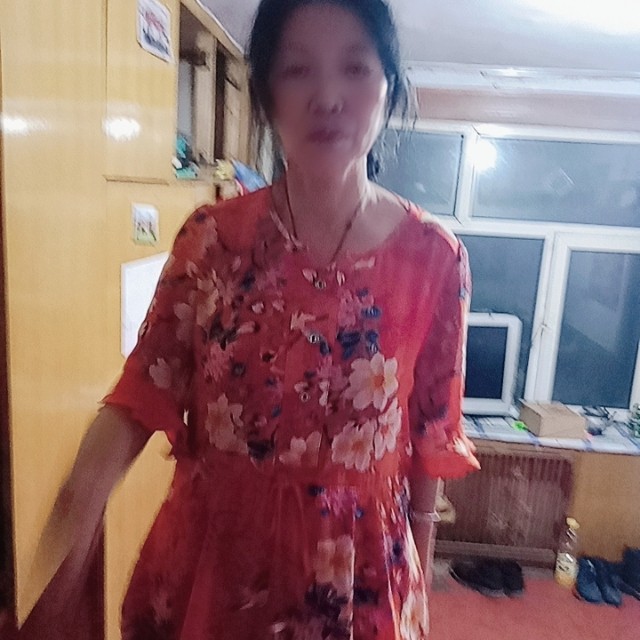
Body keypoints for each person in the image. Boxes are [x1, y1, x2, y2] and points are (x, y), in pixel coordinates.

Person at [20, 1, 479, 638]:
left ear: (389, 86)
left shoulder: (434, 259)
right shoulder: (212, 240)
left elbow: (431, 440)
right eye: (297, 70)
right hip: (215, 568)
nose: (327, 97)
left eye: (355, 68)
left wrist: (417, 586)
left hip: (357, 579)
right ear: (266, 93)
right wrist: (72, 530)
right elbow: (140, 393)